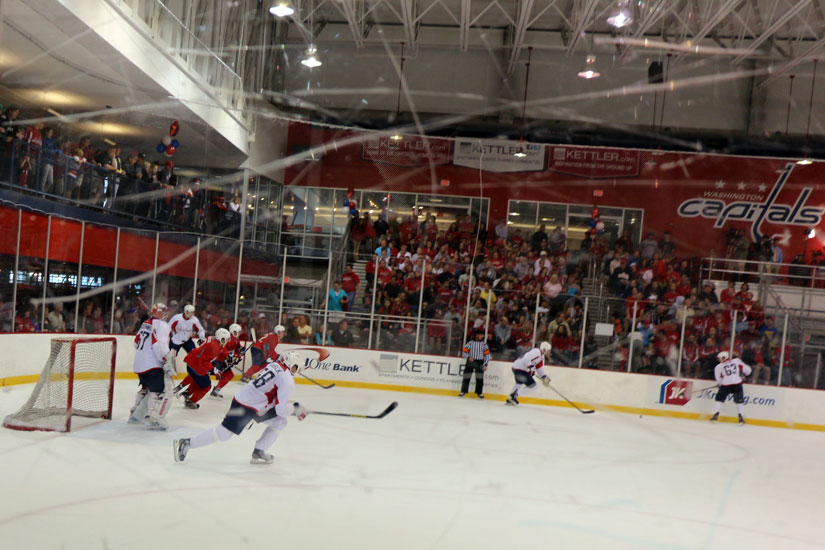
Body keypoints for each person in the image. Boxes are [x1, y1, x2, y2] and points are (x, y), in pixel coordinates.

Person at [173, 351, 308, 465]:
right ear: (293, 365)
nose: (297, 371)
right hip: (246, 406)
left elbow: (271, 394)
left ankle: (259, 451)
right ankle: (188, 443)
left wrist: (292, 408)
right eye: (297, 368)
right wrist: (295, 409)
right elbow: (281, 410)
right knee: (224, 434)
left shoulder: (274, 365)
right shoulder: (287, 380)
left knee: (280, 421)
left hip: (255, 404)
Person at [128, 303, 173, 430]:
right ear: (157, 312)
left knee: (145, 388)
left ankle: (135, 414)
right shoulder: (162, 325)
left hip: (140, 363)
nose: (165, 314)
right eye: (163, 311)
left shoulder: (146, 323)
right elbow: (159, 345)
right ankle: (152, 419)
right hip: (152, 364)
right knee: (158, 391)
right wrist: (165, 360)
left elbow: (136, 343)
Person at [177, 328, 231, 409]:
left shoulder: (214, 341)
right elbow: (204, 360)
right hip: (196, 364)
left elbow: (220, 351)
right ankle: (191, 401)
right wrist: (213, 369)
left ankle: (186, 393)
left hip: (192, 361)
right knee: (207, 386)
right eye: (226, 339)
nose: (227, 341)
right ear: (221, 338)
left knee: (200, 380)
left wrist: (228, 357)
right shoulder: (215, 347)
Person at [709, 350, 753, 424]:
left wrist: (719, 384)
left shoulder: (718, 367)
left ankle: (715, 416)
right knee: (739, 402)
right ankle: (741, 418)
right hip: (737, 383)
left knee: (719, 400)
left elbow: (718, 379)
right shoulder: (736, 361)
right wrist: (744, 375)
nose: (719, 359)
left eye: (719, 358)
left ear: (723, 358)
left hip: (726, 385)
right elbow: (748, 370)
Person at [506, 341, 552, 405]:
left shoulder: (541, 357)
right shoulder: (536, 352)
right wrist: (531, 366)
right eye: (548, 350)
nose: (549, 352)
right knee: (533, 386)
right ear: (544, 349)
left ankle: (510, 398)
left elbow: (539, 369)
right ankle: (514, 395)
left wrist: (544, 377)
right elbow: (526, 358)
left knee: (519, 383)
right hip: (519, 368)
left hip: (517, 367)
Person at [210, 323, 245, 398]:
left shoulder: (236, 339)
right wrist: (229, 358)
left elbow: (236, 351)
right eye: (237, 332)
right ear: (233, 332)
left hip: (223, 360)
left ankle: (216, 389)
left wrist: (239, 354)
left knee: (229, 375)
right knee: (210, 373)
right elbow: (223, 349)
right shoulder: (229, 339)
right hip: (218, 360)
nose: (239, 333)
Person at [459, 330, 491, 399]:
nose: (482, 336)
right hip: (471, 361)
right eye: (480, 335)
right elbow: (464, 352)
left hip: (480, 362)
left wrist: (486, 364)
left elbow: (487, 355)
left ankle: (479, 392)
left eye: (482, 335)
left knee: (479, 378)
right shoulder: (470, 343)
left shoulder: (484, 345)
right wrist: (468, 357)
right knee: (466, 376)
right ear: (477, 335)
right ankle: (463, 391)